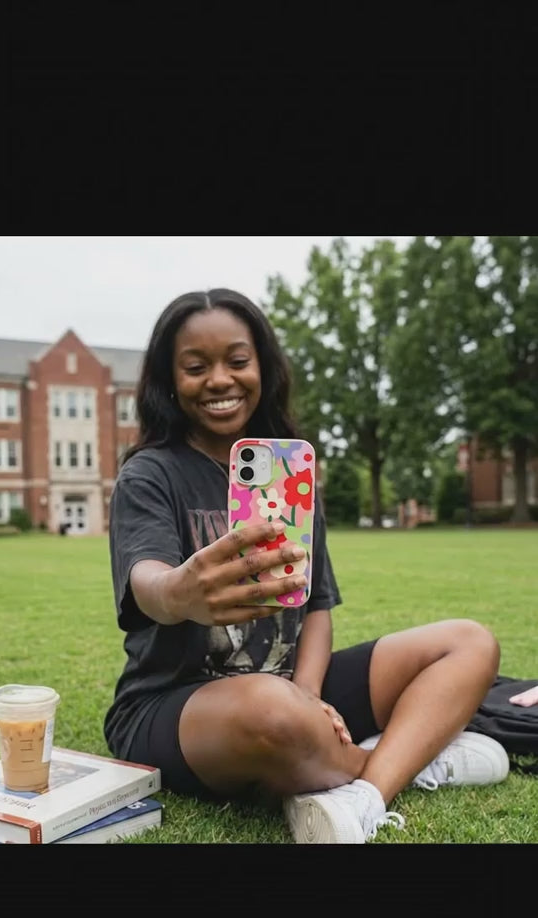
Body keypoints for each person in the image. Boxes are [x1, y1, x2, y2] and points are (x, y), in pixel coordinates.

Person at [104, 288, 508, 844]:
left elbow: (314, 604)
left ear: (263, 369)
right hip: (176, 703)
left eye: (238, 361)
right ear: (170, 381)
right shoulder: (150, 475)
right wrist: (180, 593)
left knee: (469, 642)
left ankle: (364, 792)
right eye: (196, 367)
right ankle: (404, 757)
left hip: (293, 689)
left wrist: (311, 695)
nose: (220, 379)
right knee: (271, 712)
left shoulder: (290, 472)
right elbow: (145, 580)